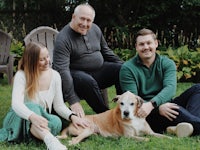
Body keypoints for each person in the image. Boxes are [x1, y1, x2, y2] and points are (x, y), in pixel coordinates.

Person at [0, 42, 89, 150]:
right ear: (31, 62)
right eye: (42, 59)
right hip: (20, 118)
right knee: (33, 107)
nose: (48, 61)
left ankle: (40, 134)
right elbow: (16, 104)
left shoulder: (55, 75)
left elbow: (59, 105)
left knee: (56, 121)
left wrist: (72, 116)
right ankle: (52, 142)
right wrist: (32, 116)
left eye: (47, 56)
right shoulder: (21, 75)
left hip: (40, 119)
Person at [119, 28, 200, 137]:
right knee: (176, 110)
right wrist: (156, 109)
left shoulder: (167, 63)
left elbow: (170, 88)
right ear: (136, 47)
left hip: (163, 105)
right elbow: (132, 101)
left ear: (156, 43)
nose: (146, 47)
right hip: (145, 115)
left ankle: (184, 126)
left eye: (149, 43)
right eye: (141, 44)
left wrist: (154, 104)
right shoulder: (127, 68)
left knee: (197, 88)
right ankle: (188, 124)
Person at [53, 3, 123, 117]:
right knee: (87, 80)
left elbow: (106, 52)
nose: (85, 24)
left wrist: (127, 67)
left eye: (89, 20)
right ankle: (105, 115)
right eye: (82, 19)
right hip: (75, 76)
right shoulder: (63, 38)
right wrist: (73, 100)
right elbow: (62, 71)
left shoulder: (95, 29)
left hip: (97, 71)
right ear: (73, 17)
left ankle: (123, 110)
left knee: (122, 70)